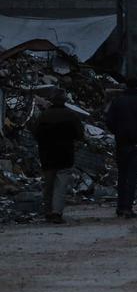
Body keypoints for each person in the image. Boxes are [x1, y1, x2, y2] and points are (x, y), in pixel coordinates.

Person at [105, 78, 137, 219]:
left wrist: (118, 132)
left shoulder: (117, 102)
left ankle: (120, 206)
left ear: (125, 86)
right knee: (132, 176)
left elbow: (109, 121)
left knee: (122, 174)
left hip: (121, 142)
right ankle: (128, 207)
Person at [31, 89, 84, 224]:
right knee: (61, 185)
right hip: (65, 154)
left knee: (48, 184)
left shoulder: (44, 116)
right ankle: (56, 212)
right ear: (65, 101)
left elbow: (35, 133)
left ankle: (48, 211)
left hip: (47, 154)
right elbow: (79, 134)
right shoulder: (71, 115)